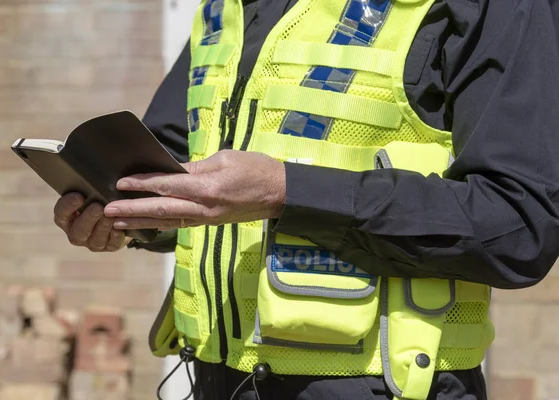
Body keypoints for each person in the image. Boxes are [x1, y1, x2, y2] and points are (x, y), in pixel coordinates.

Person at [53, 0, 559, 398]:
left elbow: (519, 224)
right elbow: (181, 164)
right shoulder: (223, 7)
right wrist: (127, 215)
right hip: (211, 377)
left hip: (384, 387)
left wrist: (286, 192)